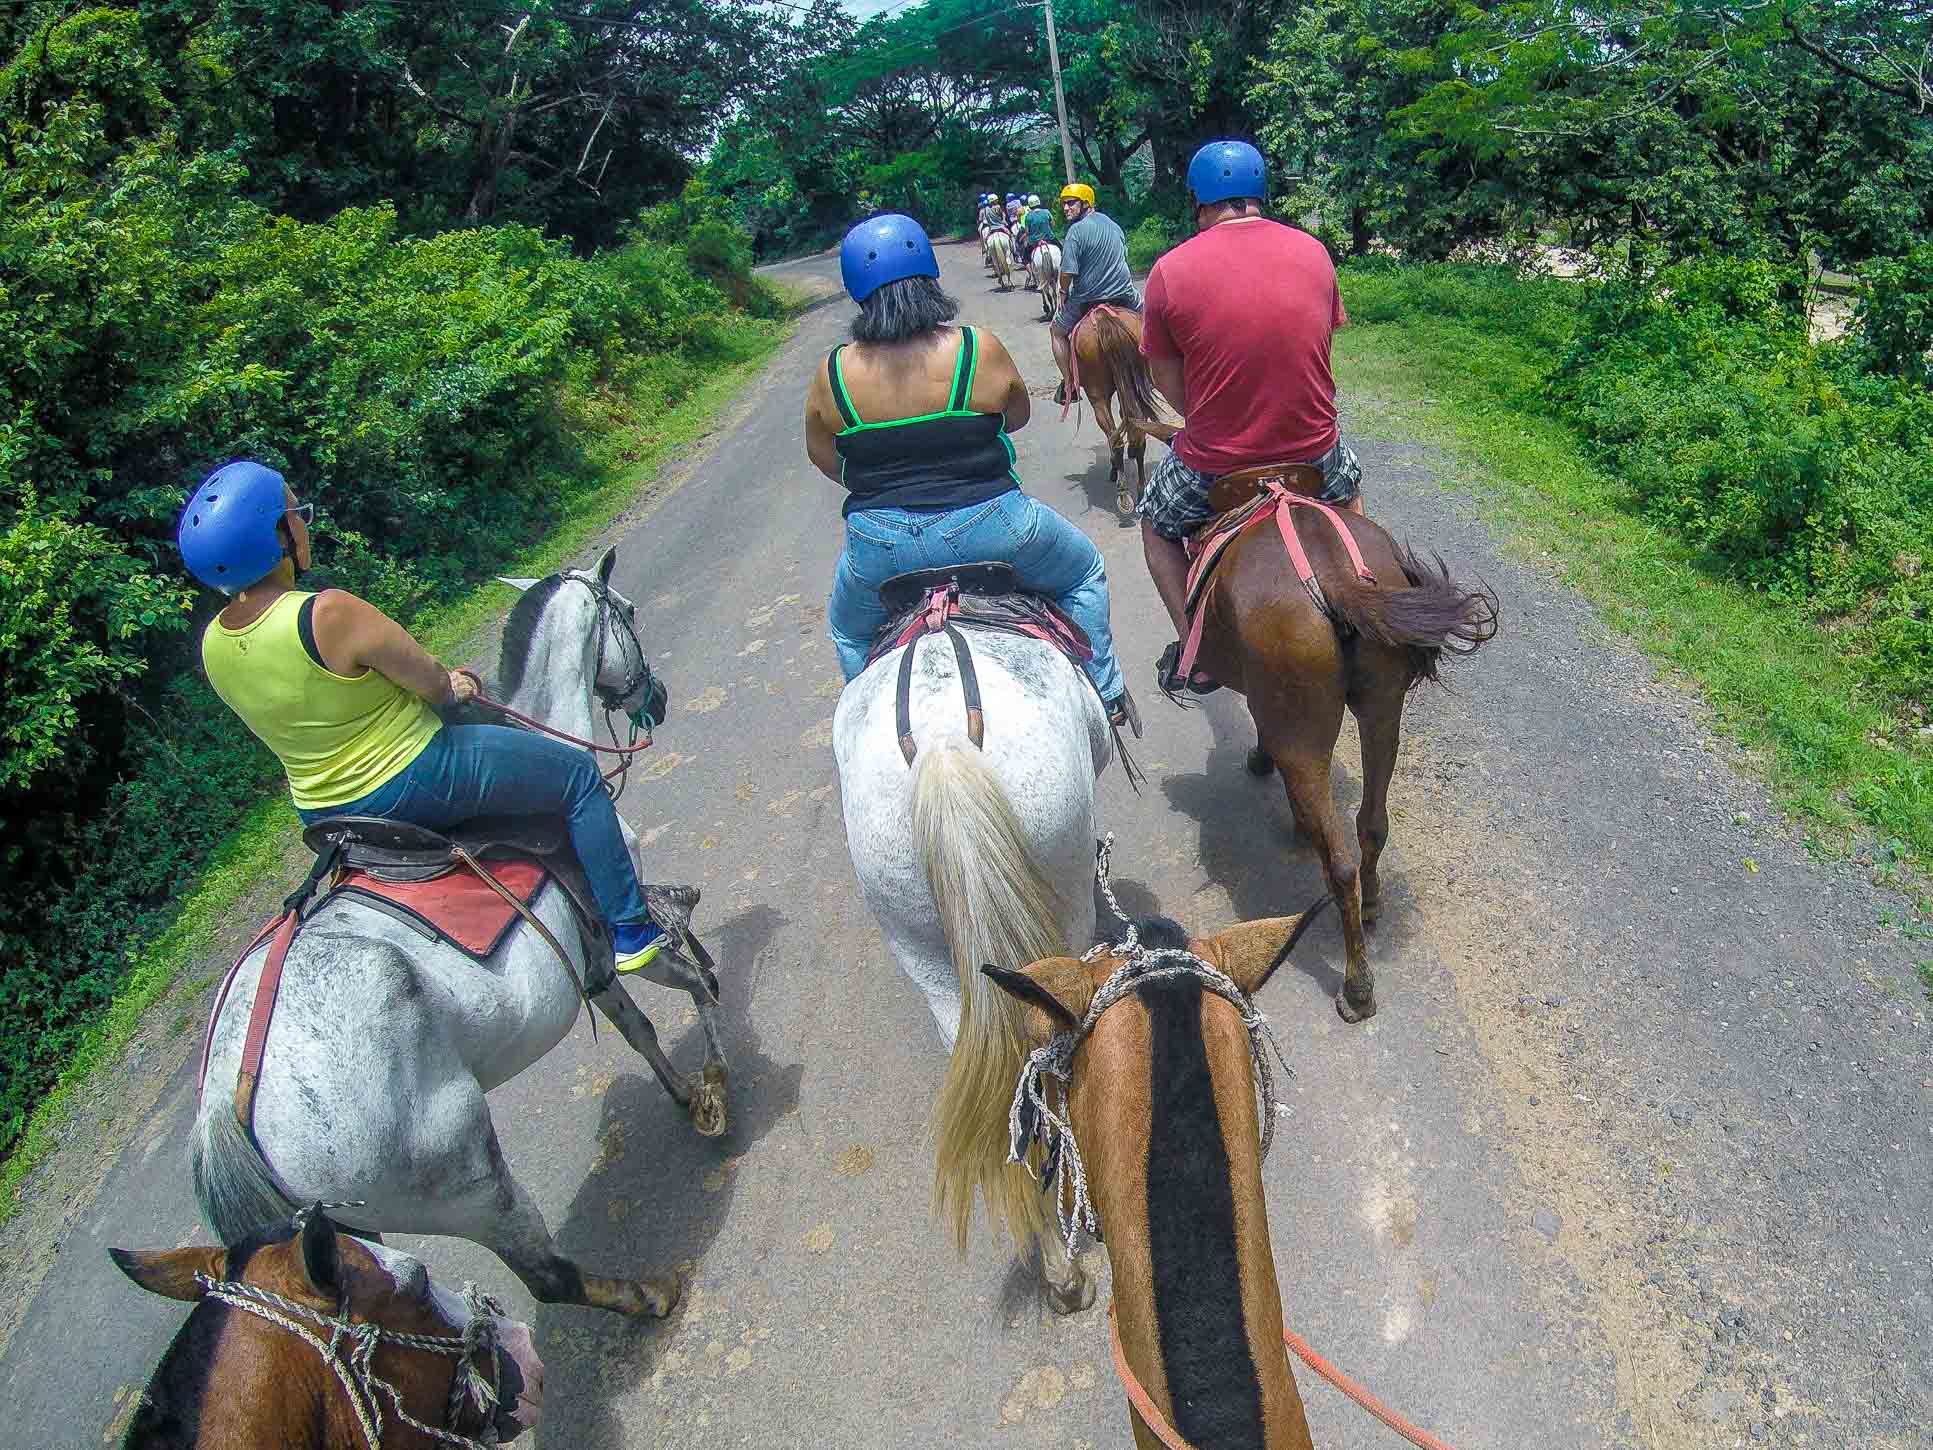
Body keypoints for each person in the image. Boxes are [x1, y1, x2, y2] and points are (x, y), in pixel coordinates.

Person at [177, 461, 667, 972]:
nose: (304, 522)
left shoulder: (214, 644)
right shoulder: (325, 612)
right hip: (411, 775)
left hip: (324, 815)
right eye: (296, 514)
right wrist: (455, 683)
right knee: (577, 776)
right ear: (276, 536)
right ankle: (631, 930)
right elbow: (432, 685)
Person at [804, 214, 1133, 727]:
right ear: (930, 275)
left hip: (880, 545)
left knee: (849, 631)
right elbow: (1018, 416)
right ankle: (1106, 691)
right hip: (993, 525)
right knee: (1084, 571)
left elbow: (825, 458)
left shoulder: (834, 371)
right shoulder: (975, 347)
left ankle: (865, 719)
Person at [1135, 140, 1361, 695]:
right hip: (1314, 451)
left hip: (1218, 461)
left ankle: (1196, 649)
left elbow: (1168, 381)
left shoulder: (1169, 270)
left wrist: (1210, 417)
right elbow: (1317, 343)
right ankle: (1362, 598)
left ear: (1199, 200)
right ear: (1259, 192)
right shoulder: (1314, 251)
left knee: (1155, 525)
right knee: (1351, 489)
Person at [1048, 183, 1140, 407]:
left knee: (1056, 331)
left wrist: (1062, 291)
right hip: (1124, 294)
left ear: (1086, 203)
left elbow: (1068, 272)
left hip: (1088, 298)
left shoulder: (1075, 232)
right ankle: (1158, 366)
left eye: (1071, 203)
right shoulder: (1115, 225)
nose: (1066, 208)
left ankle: (1069, 383)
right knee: (1150, 322)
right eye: (1064, 204)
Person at [1019, 194, 1055, 267]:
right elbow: (1053, 224)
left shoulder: (1028, 216)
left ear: (1029, 205)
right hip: (1049, 238)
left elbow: (1027, 232)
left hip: (1033, 241)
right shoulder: (1046, 211)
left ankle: (1031, 275)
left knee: (1025, 259)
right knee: (1062, 249)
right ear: (1039, 202)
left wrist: (1022, 238)